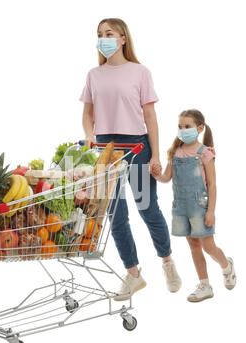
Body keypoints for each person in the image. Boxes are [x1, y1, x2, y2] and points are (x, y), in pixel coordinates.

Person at [79, 18, 181, 301]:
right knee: (115, 214)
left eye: (108, 33)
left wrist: (156, 155)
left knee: (147, 209)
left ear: (123, 38)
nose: (103, 39)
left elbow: (150, 117)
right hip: (106, 151)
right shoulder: (93, 75)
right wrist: (90, 136)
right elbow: (88, 115)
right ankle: (133, 274)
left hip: (136, 147)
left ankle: (167, 261)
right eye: (99, 35)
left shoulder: (140, 72)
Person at [154, 109, 236, 302]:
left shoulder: (204, 153)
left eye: (187, 126)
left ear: (199, 128)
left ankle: (226, 266)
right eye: (180, 126)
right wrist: (156, 173)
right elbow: (167, 177)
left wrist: (211, 211)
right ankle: (204, 285)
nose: (183, 130)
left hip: (200, 206)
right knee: (193, 245)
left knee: (208, 245)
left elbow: (212, 184)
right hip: (181, 207)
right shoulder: (175, 152)